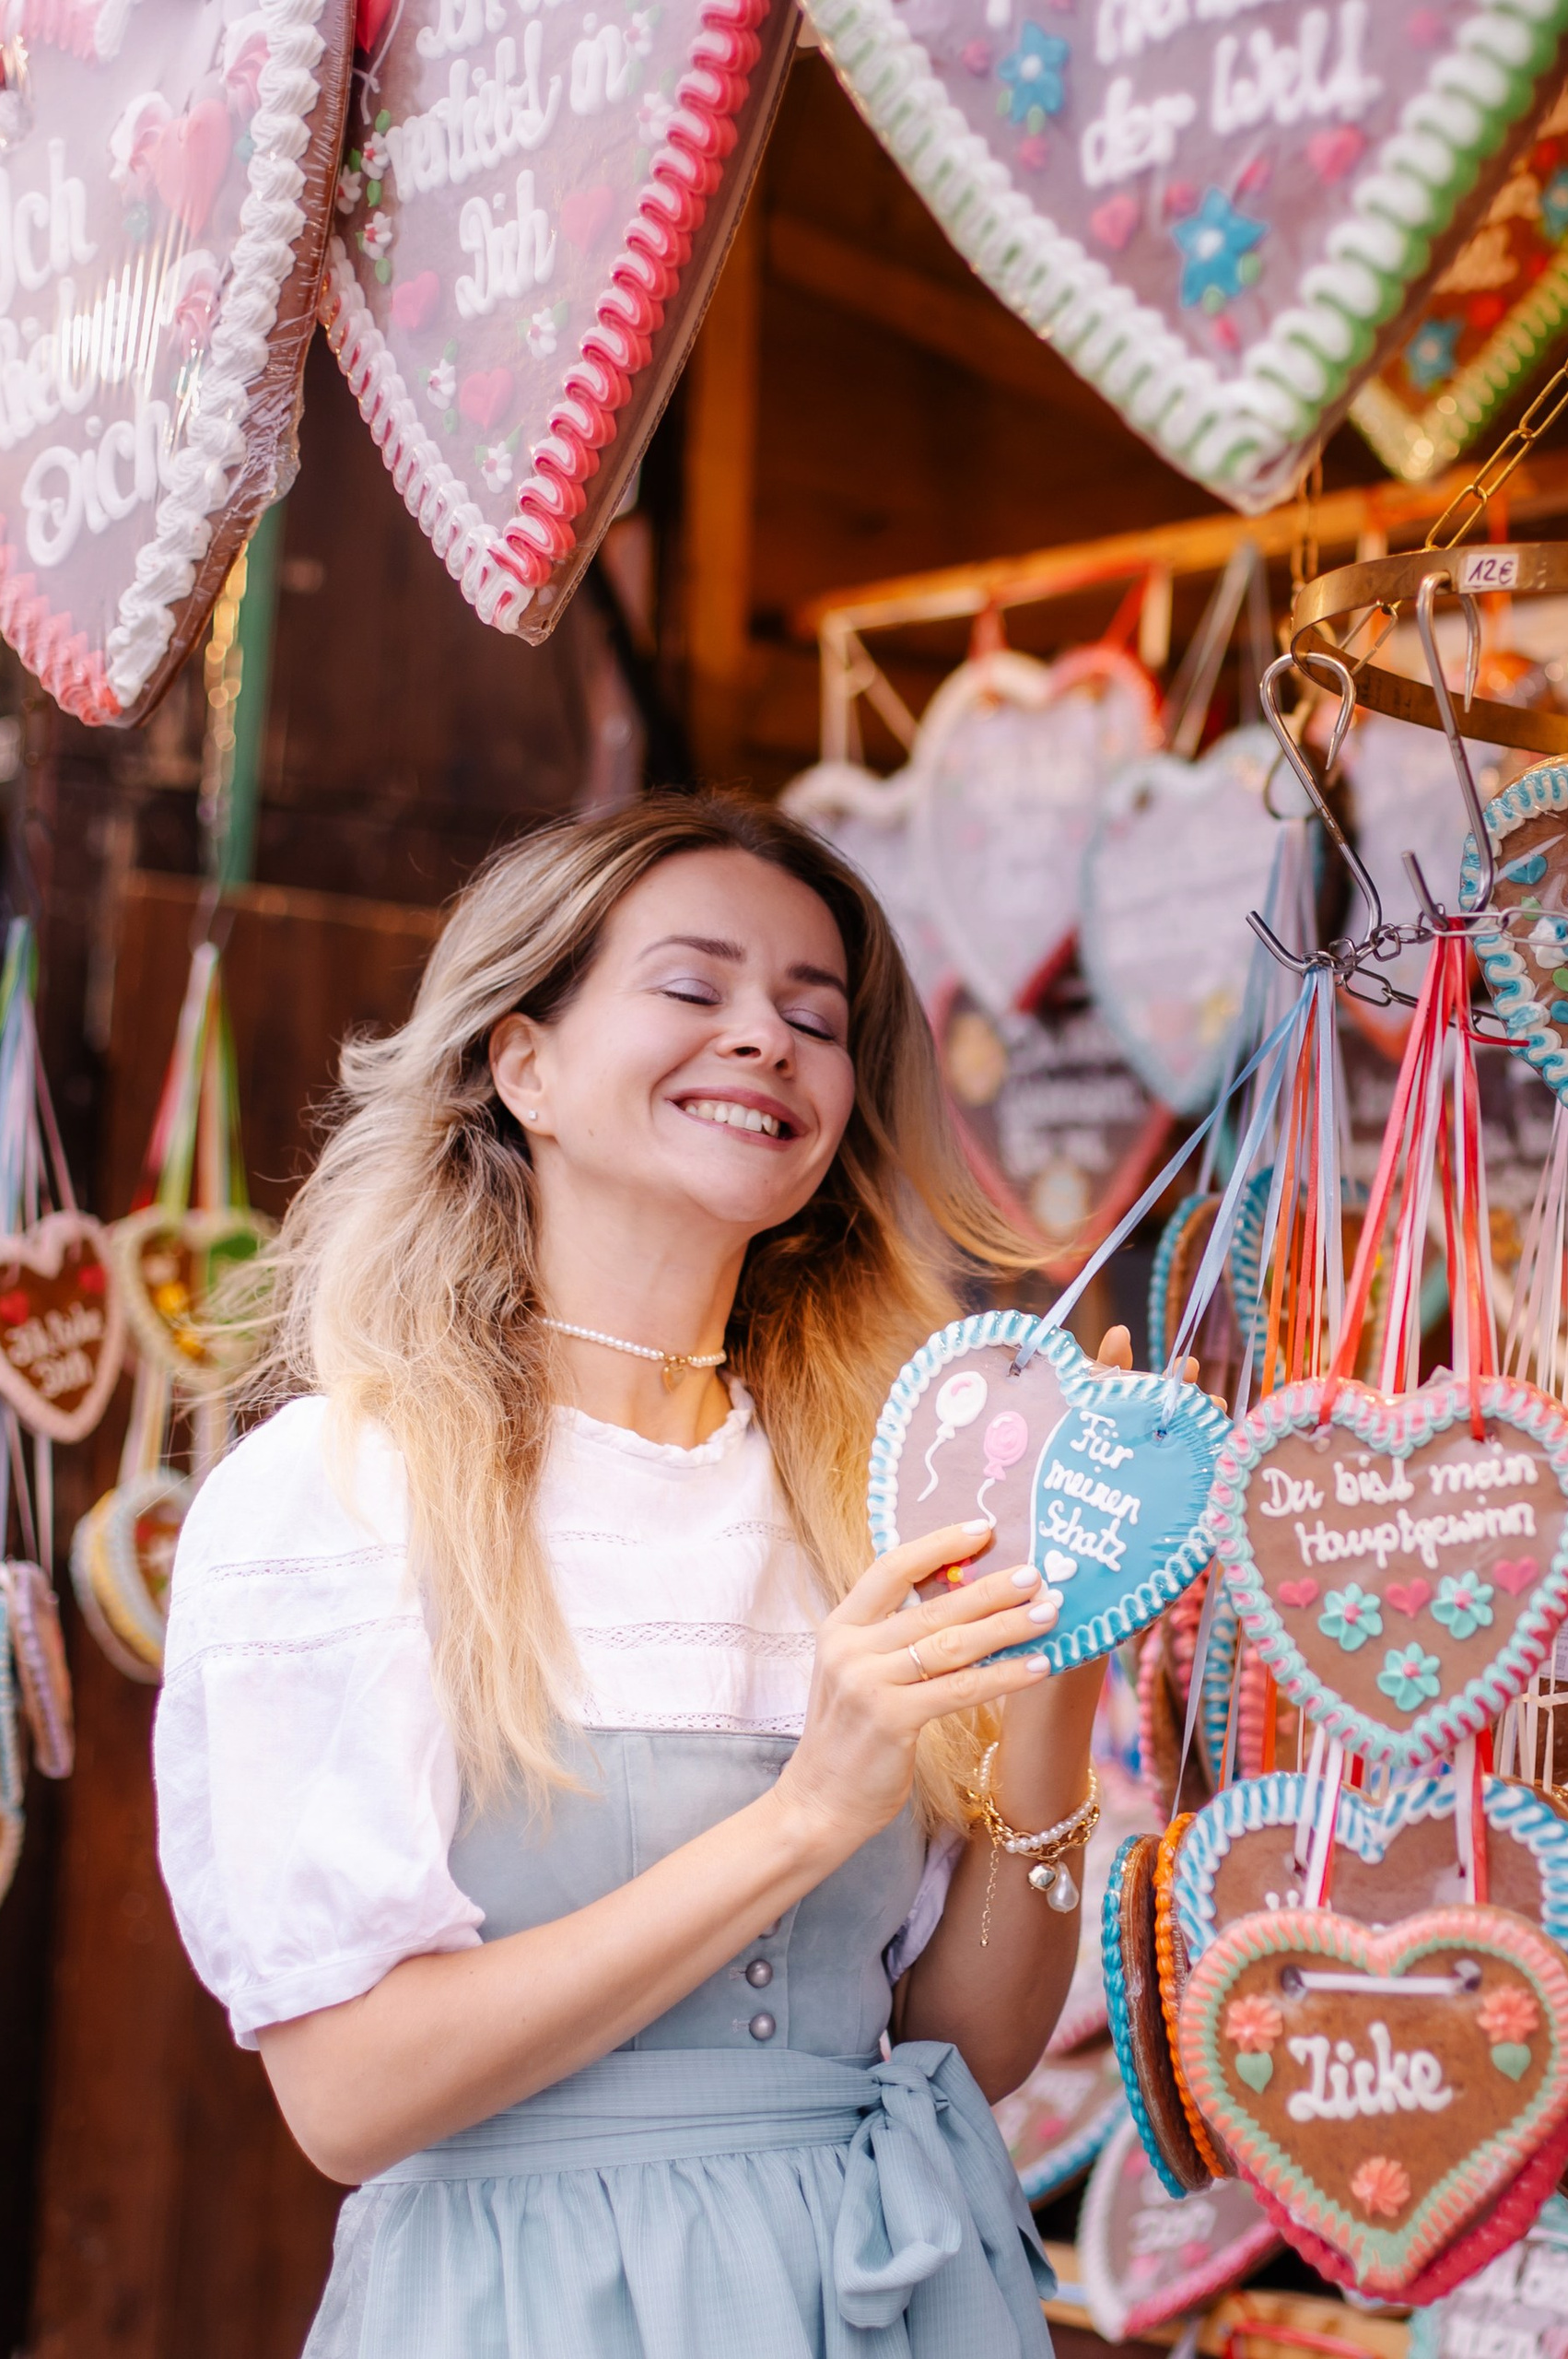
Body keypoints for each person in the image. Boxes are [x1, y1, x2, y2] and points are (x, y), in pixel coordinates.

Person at [154, 795, 1117, 2358]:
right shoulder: (342, 1491)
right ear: (520, 1064)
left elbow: (967, 2042)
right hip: (530, 2303)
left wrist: (1066, 1658)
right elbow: (348, 2096)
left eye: (815, 1017)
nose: (770, 1040)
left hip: (885, 2293)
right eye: (695, 989)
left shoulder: (874, 1499)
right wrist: (809, 1811)